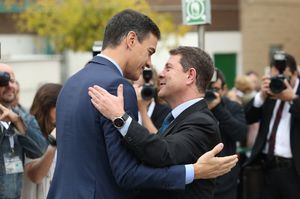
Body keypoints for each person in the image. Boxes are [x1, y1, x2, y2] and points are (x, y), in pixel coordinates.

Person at [47, 9, 238, 199]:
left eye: (167, 67)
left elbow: (160, 149)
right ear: (131, 40)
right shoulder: (117, 86)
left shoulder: (72, 83)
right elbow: (127, 174)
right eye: (149, 52)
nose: (149, 64)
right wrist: (194, 171)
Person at [89, 46, 222, 199]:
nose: (160, 74)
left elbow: (162, 152)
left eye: (168, 68)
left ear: (190, 76)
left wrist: (120, 117)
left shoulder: (202, 122)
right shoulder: (179, 118)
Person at [244, 52, 300, 199]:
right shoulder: (271, 92)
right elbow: (247, 118)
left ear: (295, 74)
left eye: (284, 78)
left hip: (294, 171)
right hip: (267, 168)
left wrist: (293, 98)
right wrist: (261, 96)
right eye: (275, 78)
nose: (280, 82)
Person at [0, 63, 48, 199]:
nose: (10, 86)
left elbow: (40, 150)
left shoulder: (23, 117)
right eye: (3, 81)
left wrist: (17, 122)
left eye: (12, 80)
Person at [204, 69, 247, 199]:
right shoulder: (197, 107)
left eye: (216, 89)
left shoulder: (232, 107)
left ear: (224, 90)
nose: (212, 92)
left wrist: (218, 108)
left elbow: (240, 133)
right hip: (200, 180)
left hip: (226, 181)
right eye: (208, 88)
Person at [22, 83, 62, 199]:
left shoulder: (62, 131)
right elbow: (36, 176)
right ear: (46, 107)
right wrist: (53, 143)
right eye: (59, 106)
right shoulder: (30, 132)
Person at [133, 68, 171, 133]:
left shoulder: (164, 110)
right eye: (139, 87)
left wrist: (142, 109)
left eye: (143, 87)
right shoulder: (128, 108)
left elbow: (158, 140)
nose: (142, 91)